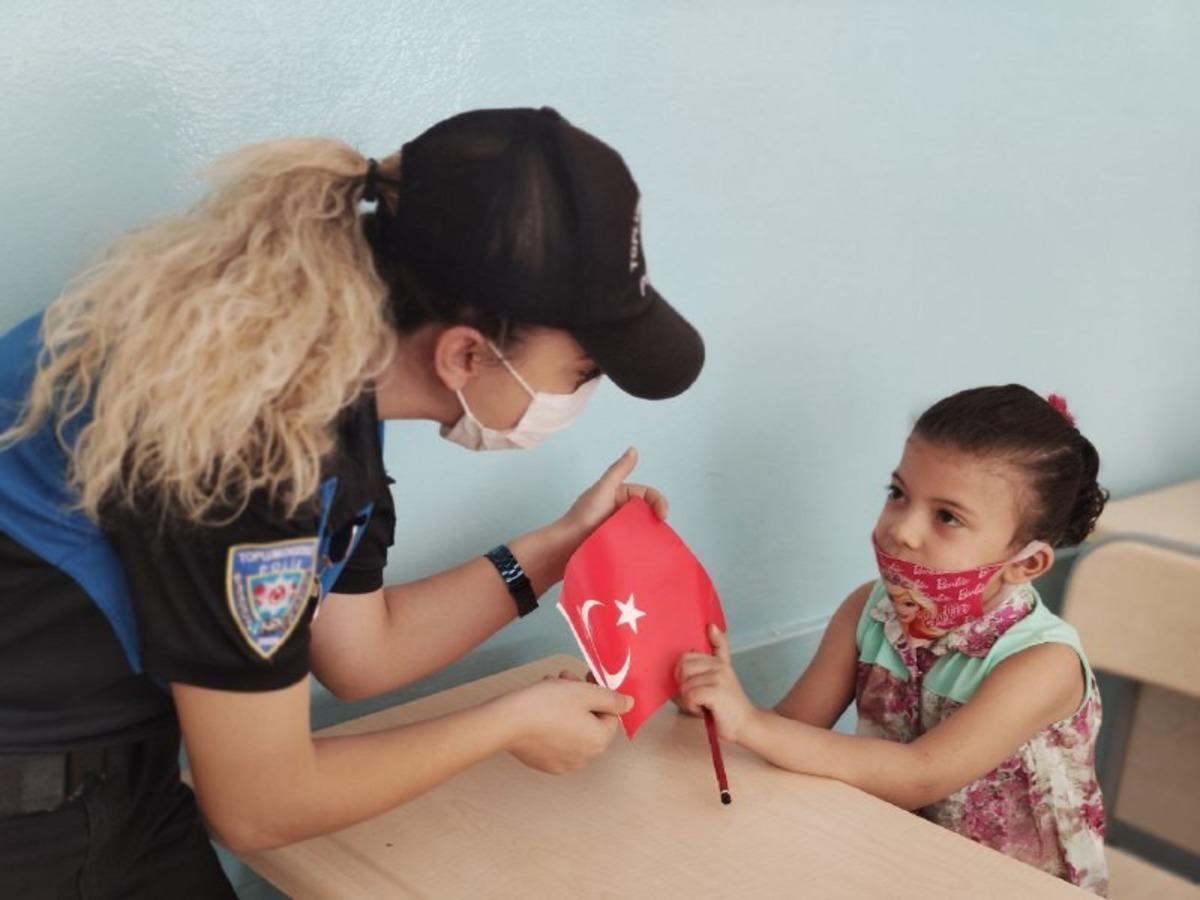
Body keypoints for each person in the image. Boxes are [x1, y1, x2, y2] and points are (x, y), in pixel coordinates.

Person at [0, 106, 705, 899]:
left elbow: (361, 654)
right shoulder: (243, 435)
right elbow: (259, 807)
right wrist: (508, 725)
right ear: (465, 354)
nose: (581, 395)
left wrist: (561, 548)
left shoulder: (327, 376)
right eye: (581, 374)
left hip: (122, 786)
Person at [677, 385, 1110, 895]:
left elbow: (920, 776)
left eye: (947, 517)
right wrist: (712, 702)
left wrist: (749, 724)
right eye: (898, 494)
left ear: (1027, 562)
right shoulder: (868, 611)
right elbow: (791, 727)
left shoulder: (1043, 663)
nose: (901, 530)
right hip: (891, 858)